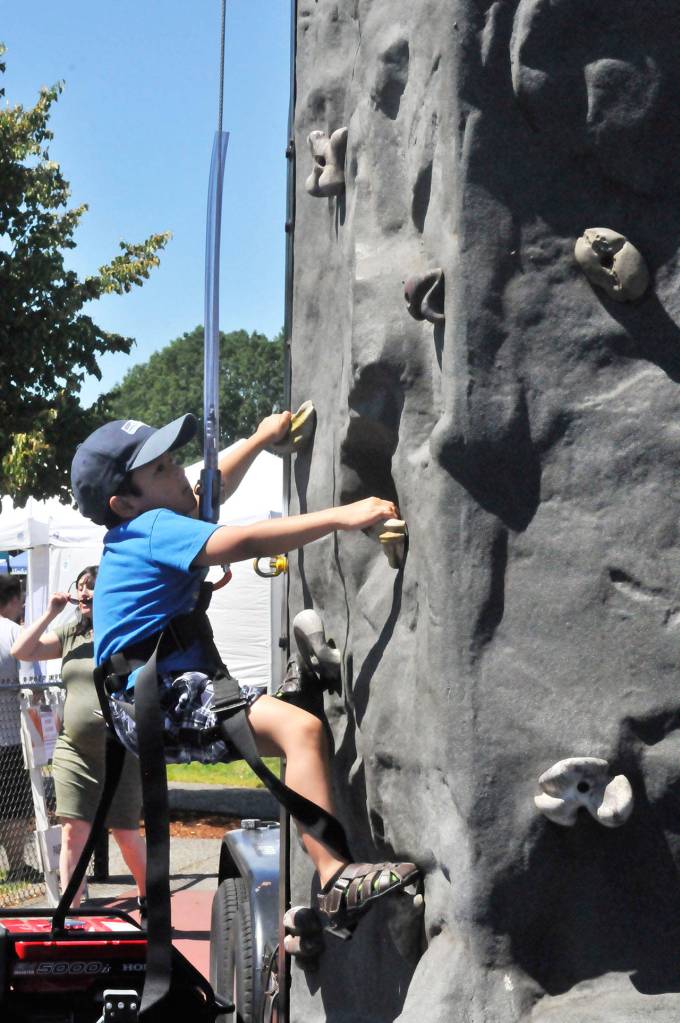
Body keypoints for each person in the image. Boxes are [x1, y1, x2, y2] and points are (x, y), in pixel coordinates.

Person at [70, 412, 419, 933]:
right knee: (300, 729)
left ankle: (329, 894)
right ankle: (335, 880)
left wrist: (258, 439)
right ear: (125, 502)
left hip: (148, 697)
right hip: (157, 700)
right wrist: (345, 516)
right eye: (162, 470)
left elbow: (209, 483)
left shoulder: (152, 516)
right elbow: (248, 541)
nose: (179, 475)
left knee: (295, 727)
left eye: (171, 462)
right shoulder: (152, 528)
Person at [12, 567, 147, 915]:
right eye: (81, 587)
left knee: (125, 833)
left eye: (93, 588)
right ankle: (69, 911)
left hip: (121, 751)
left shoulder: (126, 632)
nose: (84, 593)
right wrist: (52, 611)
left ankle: (150, 899)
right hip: (74, 750)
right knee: (73, 832)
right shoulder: (72, 633)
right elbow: (22, 650)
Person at [0, 576, 42, 883]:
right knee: (12, 810)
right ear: (13, 600)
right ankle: (16, 867)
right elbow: (32, 689)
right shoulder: (16, 634)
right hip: (11, 736)